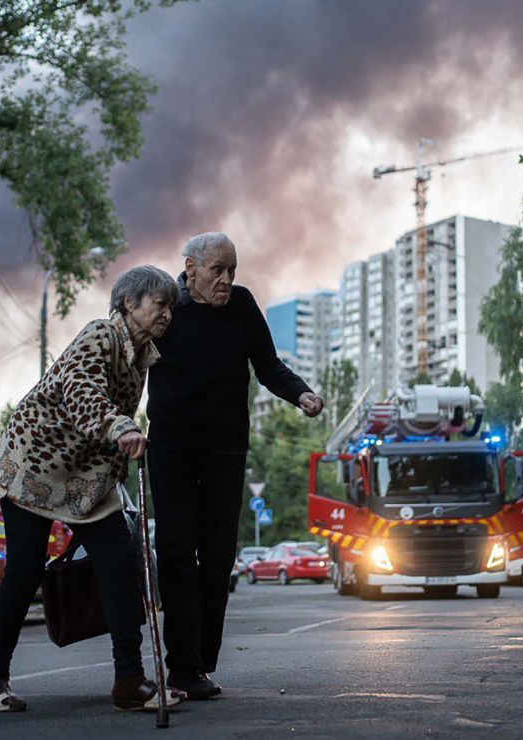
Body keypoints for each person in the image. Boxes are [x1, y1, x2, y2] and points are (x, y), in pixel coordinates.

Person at [0, 265, 183, 713]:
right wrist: (121, 425)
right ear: (129, 303)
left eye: (171, 306)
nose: (167, 313)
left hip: (87, 480)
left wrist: (120, 447)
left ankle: (129, 681)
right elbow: (83, 392)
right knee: (25, 571)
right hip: (36, 467)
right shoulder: (99, 335)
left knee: (121, 564)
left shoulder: (141, 356)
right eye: (159, 304)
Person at [146, 232, 325, 699]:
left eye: (232, 271)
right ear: (190, 269)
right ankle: (181, 666)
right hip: (172, 451)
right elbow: (130, 361)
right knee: (177, 555)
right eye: (217, 271)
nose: (226, 280)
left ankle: (201, 664)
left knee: (219, 558)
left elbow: (267, 365)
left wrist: (300, 393)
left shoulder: (242, 306)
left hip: (226, 451)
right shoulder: (166, 309)